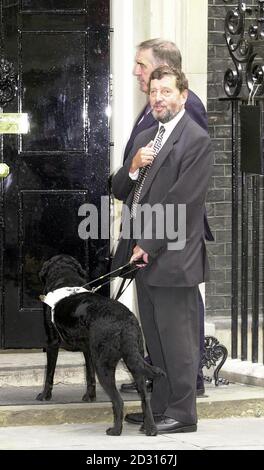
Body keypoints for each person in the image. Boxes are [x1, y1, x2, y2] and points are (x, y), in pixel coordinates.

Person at [112, 65, 212, 432]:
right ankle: (161, 405)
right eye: (153, 92)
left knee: (178, 341)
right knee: (155, 336)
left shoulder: (195, 139)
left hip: (173, 257)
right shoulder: (151, 136)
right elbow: (120, 188)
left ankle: (183, 414)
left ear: (183, 96)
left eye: (166, 91)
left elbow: (182, 202)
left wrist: (147, 243)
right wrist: (134, 167)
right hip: (146, 257)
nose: (157, 98)